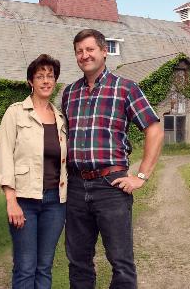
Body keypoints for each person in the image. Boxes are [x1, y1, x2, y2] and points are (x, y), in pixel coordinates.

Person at [61, 29, 165, 288]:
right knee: (78, 261)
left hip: (111, 185)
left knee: (120, 261)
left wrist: (141, 175)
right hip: (75, 186)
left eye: (90, 49)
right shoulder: (70, 92)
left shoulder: (125, 88)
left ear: (104, 51)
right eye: (79, 51)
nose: (85, 55)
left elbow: (154, 128)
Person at [0, 54, 68, 289]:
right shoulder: (15, 113)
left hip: (55, 202)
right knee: (25, 266)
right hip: (24, 201)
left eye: (50, 76)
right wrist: (11, 200)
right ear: (31, 82)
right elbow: (4, 157)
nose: (46, 81)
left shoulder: (61, 118)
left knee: (44, 266)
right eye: (40, 76)